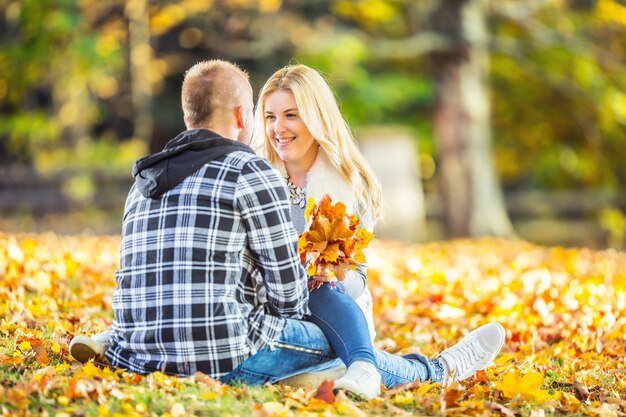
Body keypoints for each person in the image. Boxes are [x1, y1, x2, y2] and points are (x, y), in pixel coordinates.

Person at [70, 59, 506, 400]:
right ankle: (427, 367)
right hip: (263, 311)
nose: (278, 129)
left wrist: (320, 275)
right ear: (251, 117)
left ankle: (377, 366)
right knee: (328, 347)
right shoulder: (253, 172)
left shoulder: (344, 184)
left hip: (328, 303)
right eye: (271, 116)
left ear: (316, 117)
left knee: (325, 297)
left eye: (291, 116)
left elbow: (353, 277)